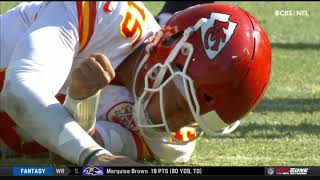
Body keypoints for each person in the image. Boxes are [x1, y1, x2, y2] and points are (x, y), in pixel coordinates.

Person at [0, 1, 272, 166]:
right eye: (179, 106)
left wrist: (80, 102)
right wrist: (93, 156)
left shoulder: (174, 141)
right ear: (165, 49)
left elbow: (62, 158)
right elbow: (20, 89)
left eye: (194, 121)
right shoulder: (103, 13)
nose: (174, 126)